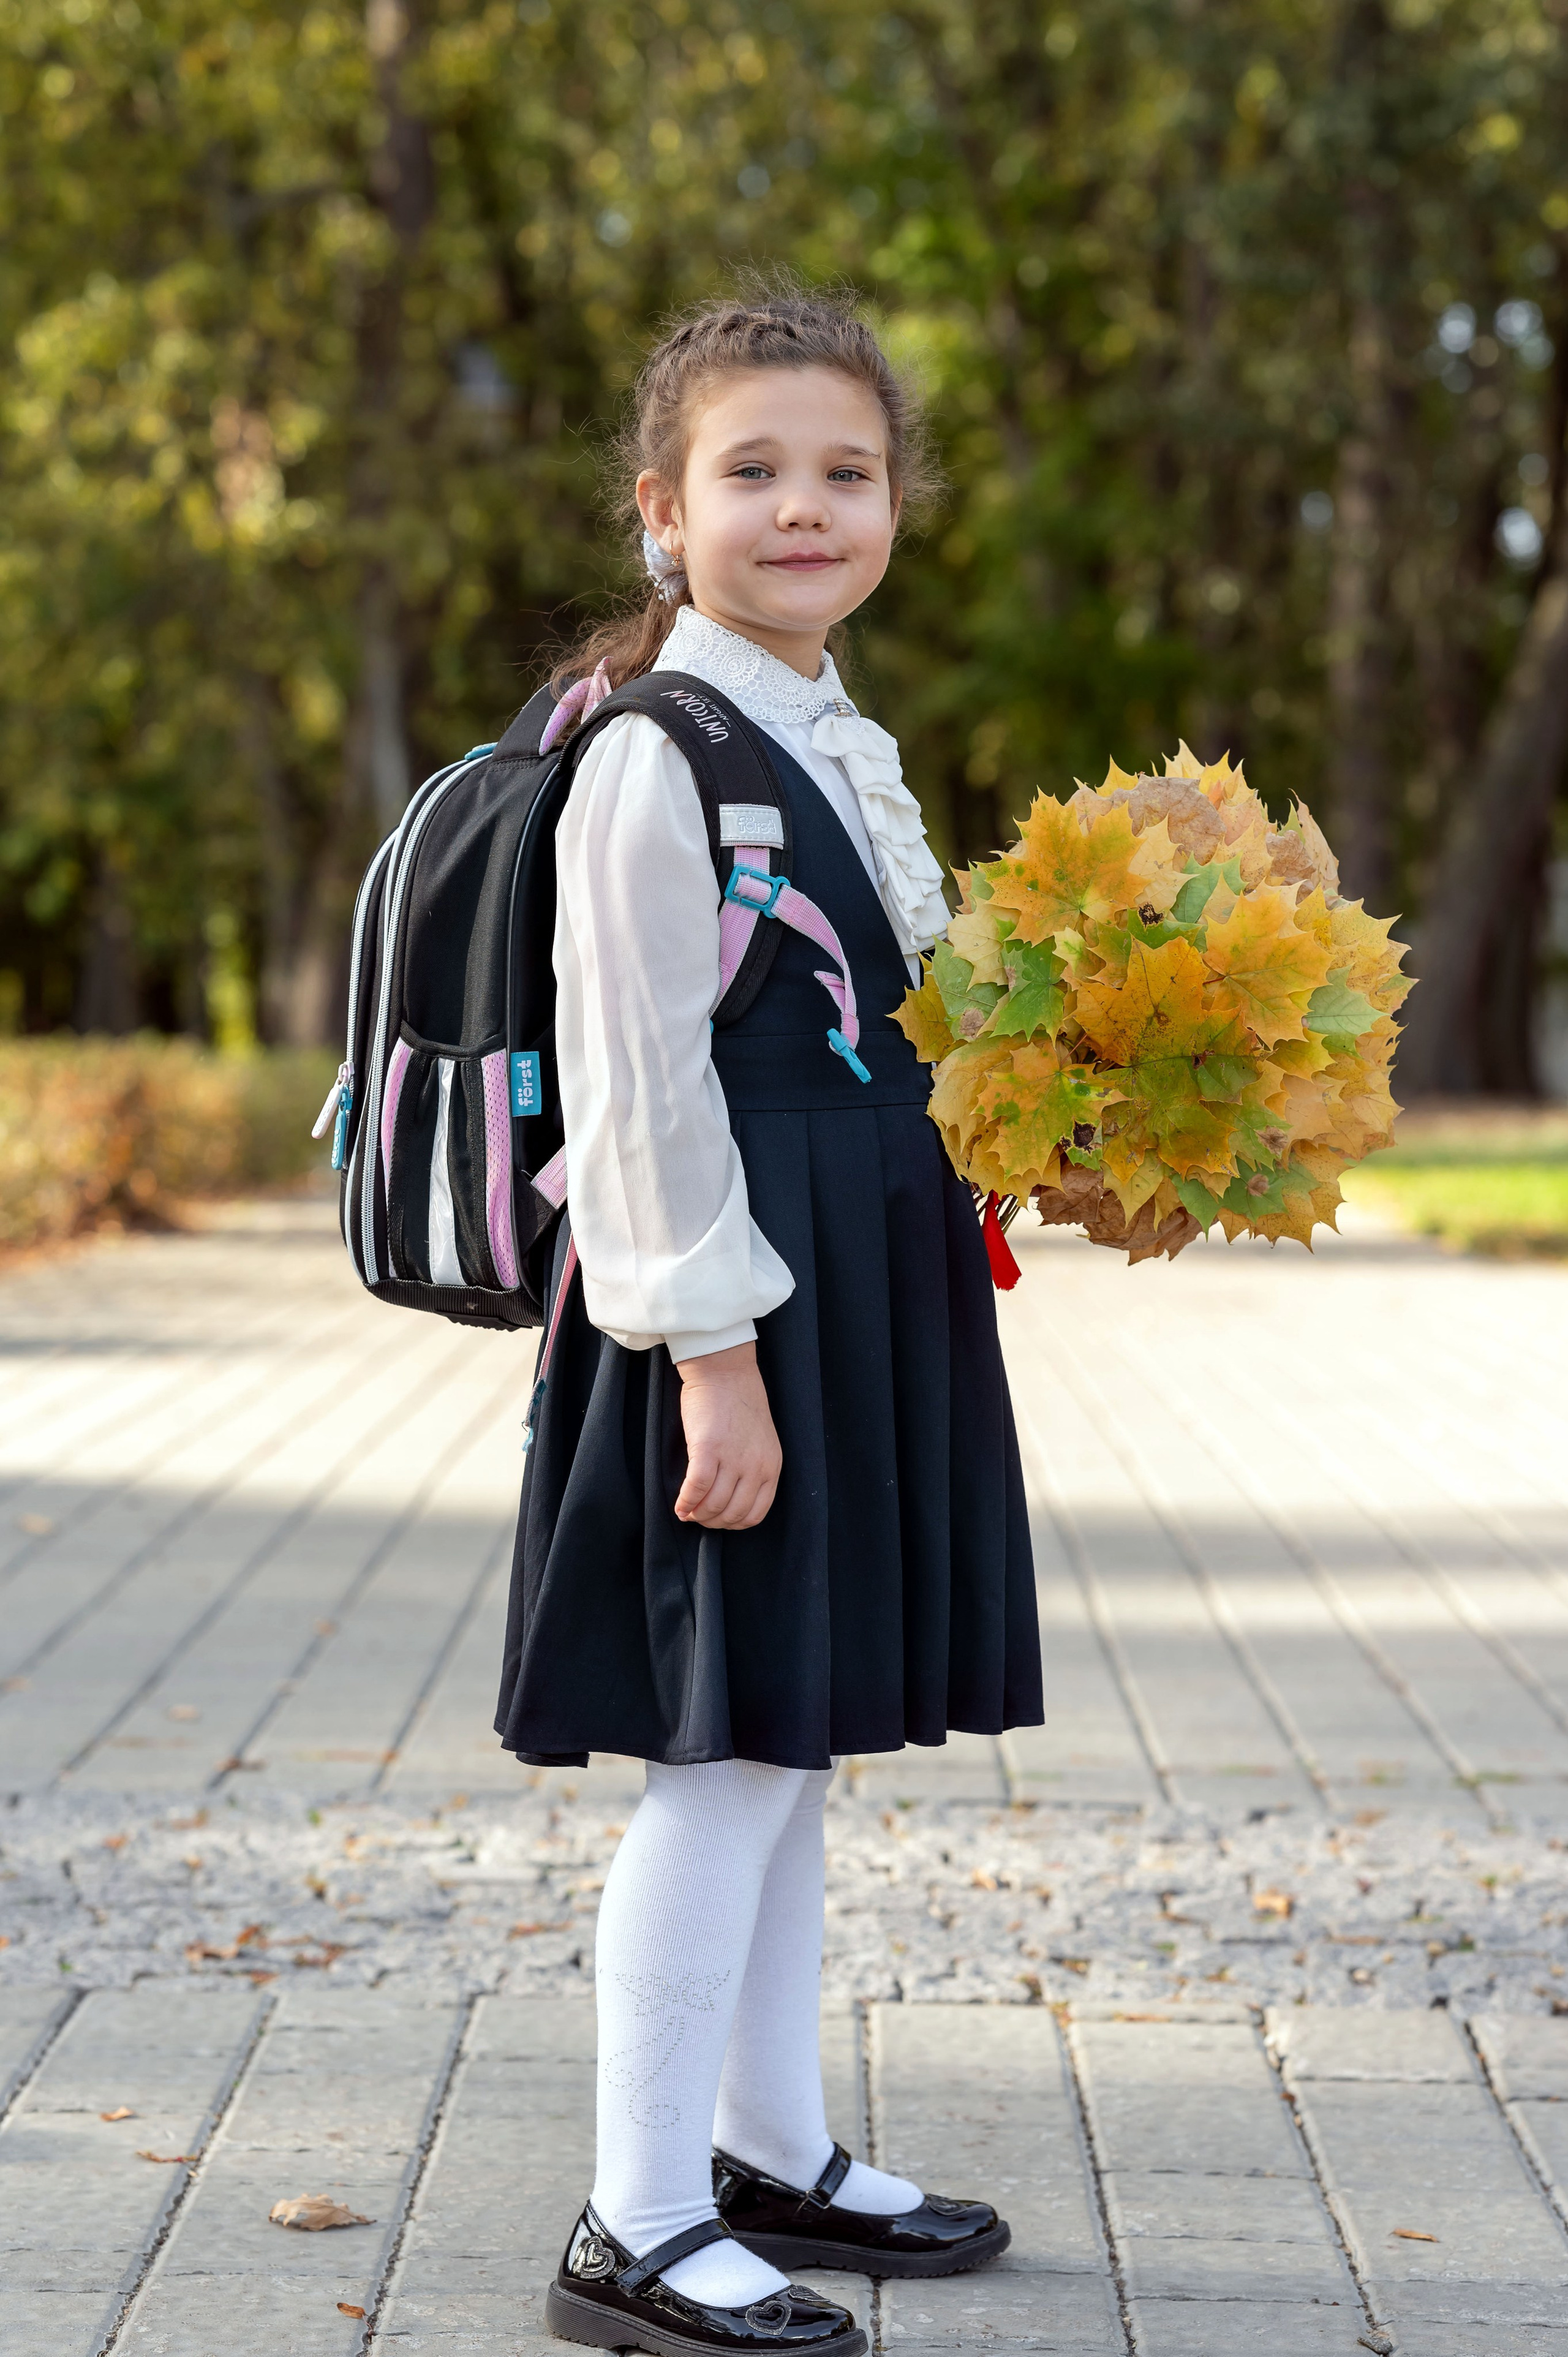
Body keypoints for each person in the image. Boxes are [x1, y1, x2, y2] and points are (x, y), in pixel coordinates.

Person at [495, 285, 1044, 2357]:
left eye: (847, 472)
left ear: (894, 505)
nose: (805, 507)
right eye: (755, 471)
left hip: (856, 1285)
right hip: (729, 1316)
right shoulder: (658, 753)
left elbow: (871, 1030)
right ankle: (635, 2226)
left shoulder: (832, 731)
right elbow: (640, 1090)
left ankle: (768, 2152)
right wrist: (714, 1367)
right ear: (664, 510)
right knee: (723, 1759)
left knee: (793, 1742)